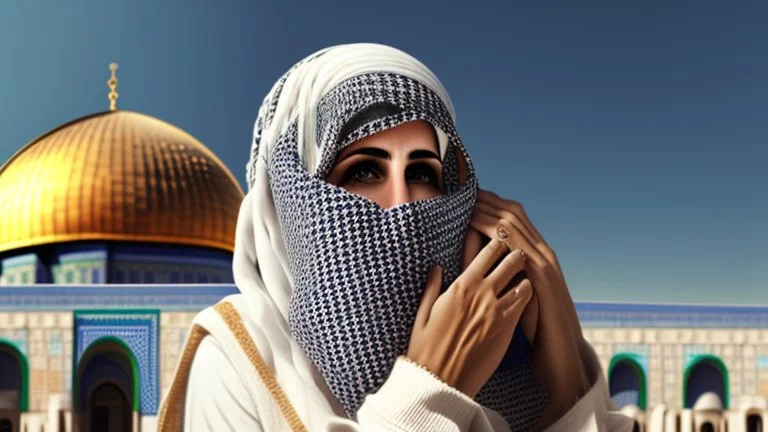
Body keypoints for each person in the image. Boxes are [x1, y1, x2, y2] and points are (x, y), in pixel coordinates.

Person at [157, 43, 635, 432]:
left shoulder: (505, 364)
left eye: (424, 173)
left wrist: (566, 388)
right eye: (364, 170)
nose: (403, 204)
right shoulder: (236, 360)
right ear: (287, 196)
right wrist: (430, 392)